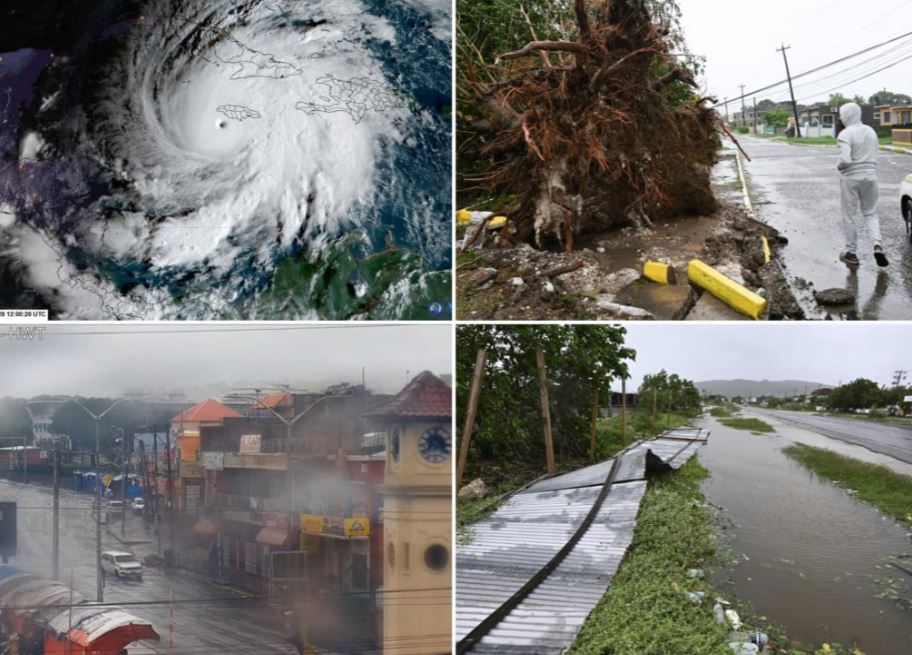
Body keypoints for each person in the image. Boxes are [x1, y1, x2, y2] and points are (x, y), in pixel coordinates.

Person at [837, 102, 888, 268]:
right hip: (871, 176)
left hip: (851, 178)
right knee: (871, 213)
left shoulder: (845, 134)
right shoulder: (871, 131)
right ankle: (877, 245)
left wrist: (838, 166)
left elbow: (845, 160)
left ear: (846, 116)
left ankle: (851, 253)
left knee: (849, 215)